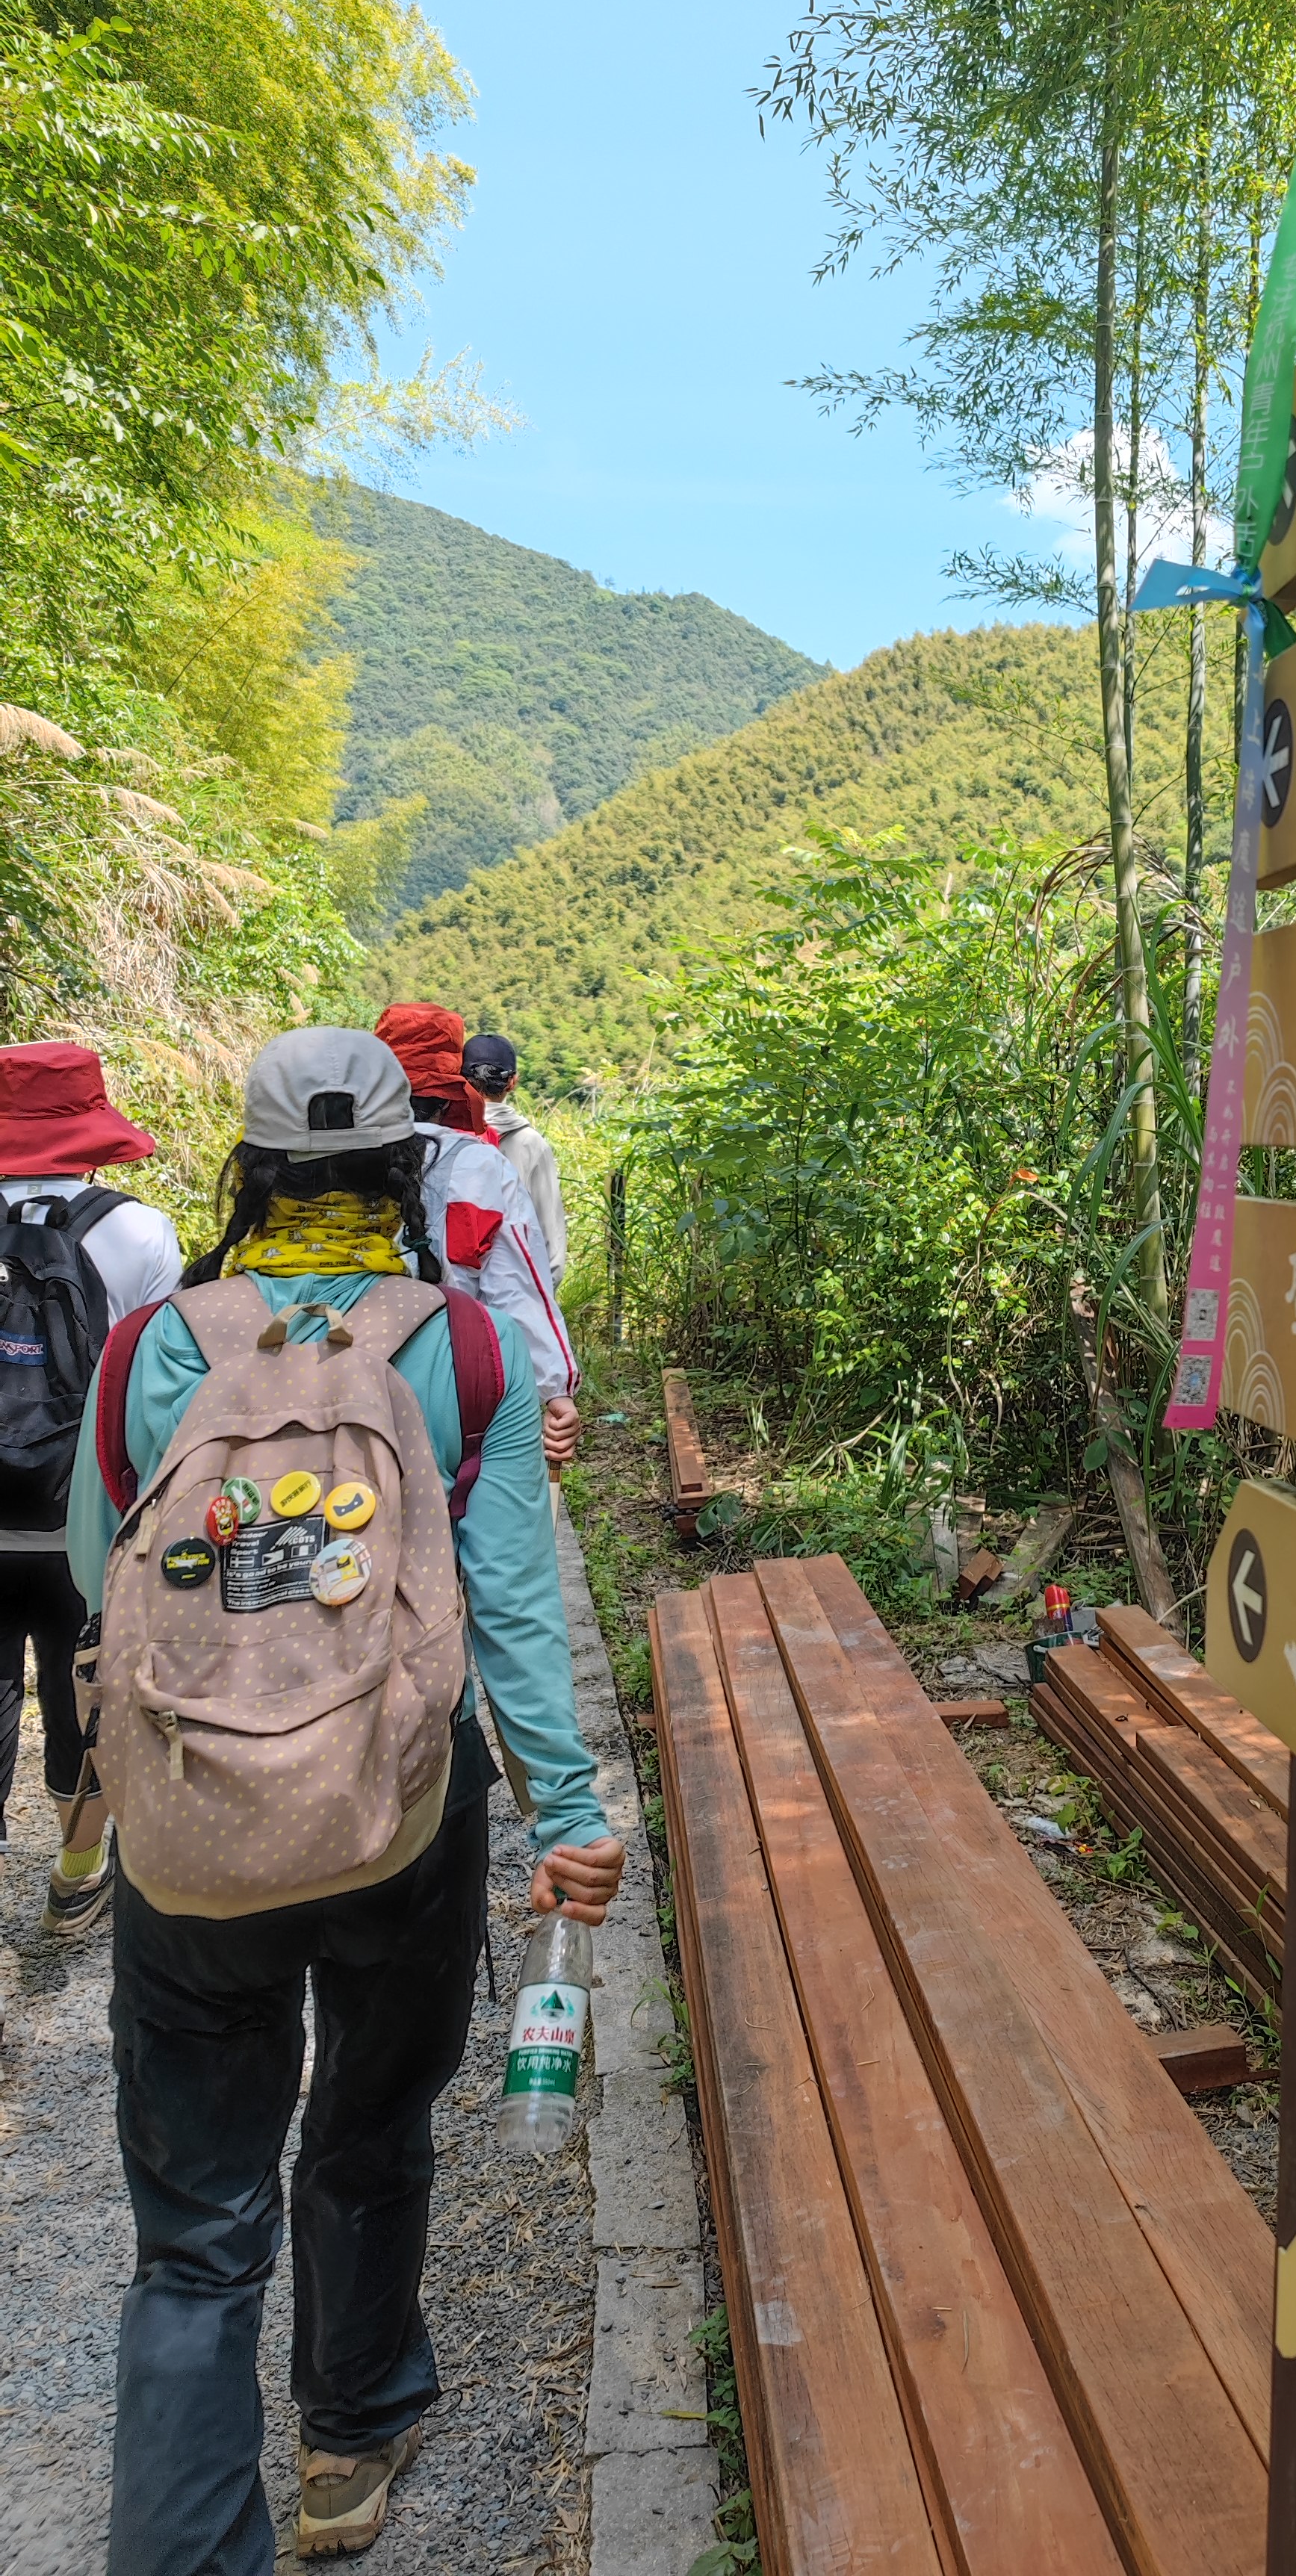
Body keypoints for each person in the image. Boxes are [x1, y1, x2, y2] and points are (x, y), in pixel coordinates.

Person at [70, 1027, 624, 2569]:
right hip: (396, 1819)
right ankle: (352, 2433)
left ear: (249, 1174)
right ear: (406, 1170)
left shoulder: (156, 1345)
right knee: (370, 2128)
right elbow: (510, 1609)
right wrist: (569, 1816)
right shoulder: (465, 1348)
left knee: (193, 2243)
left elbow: (88, 1572)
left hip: (189, 1831)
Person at [0, 1041, 181, 1940]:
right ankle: (77, 1874)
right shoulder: (140, 1231)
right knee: (86, 1686)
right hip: (84, 1515)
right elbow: (159, 1386)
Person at [373, 1002, 580, 1470]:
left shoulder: (333, 1156)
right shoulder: (479, 1162)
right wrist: (555, 1385)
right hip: (452, 1375)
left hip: (346, 1373)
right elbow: (519, 1282)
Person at [460, 1032, 567, 1285]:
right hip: (514, 1290)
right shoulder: (532, 1144)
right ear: (512, 1082)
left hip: (450, 1294)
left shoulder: (441, 1135)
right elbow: (551, 1239)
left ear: (461, 1080)